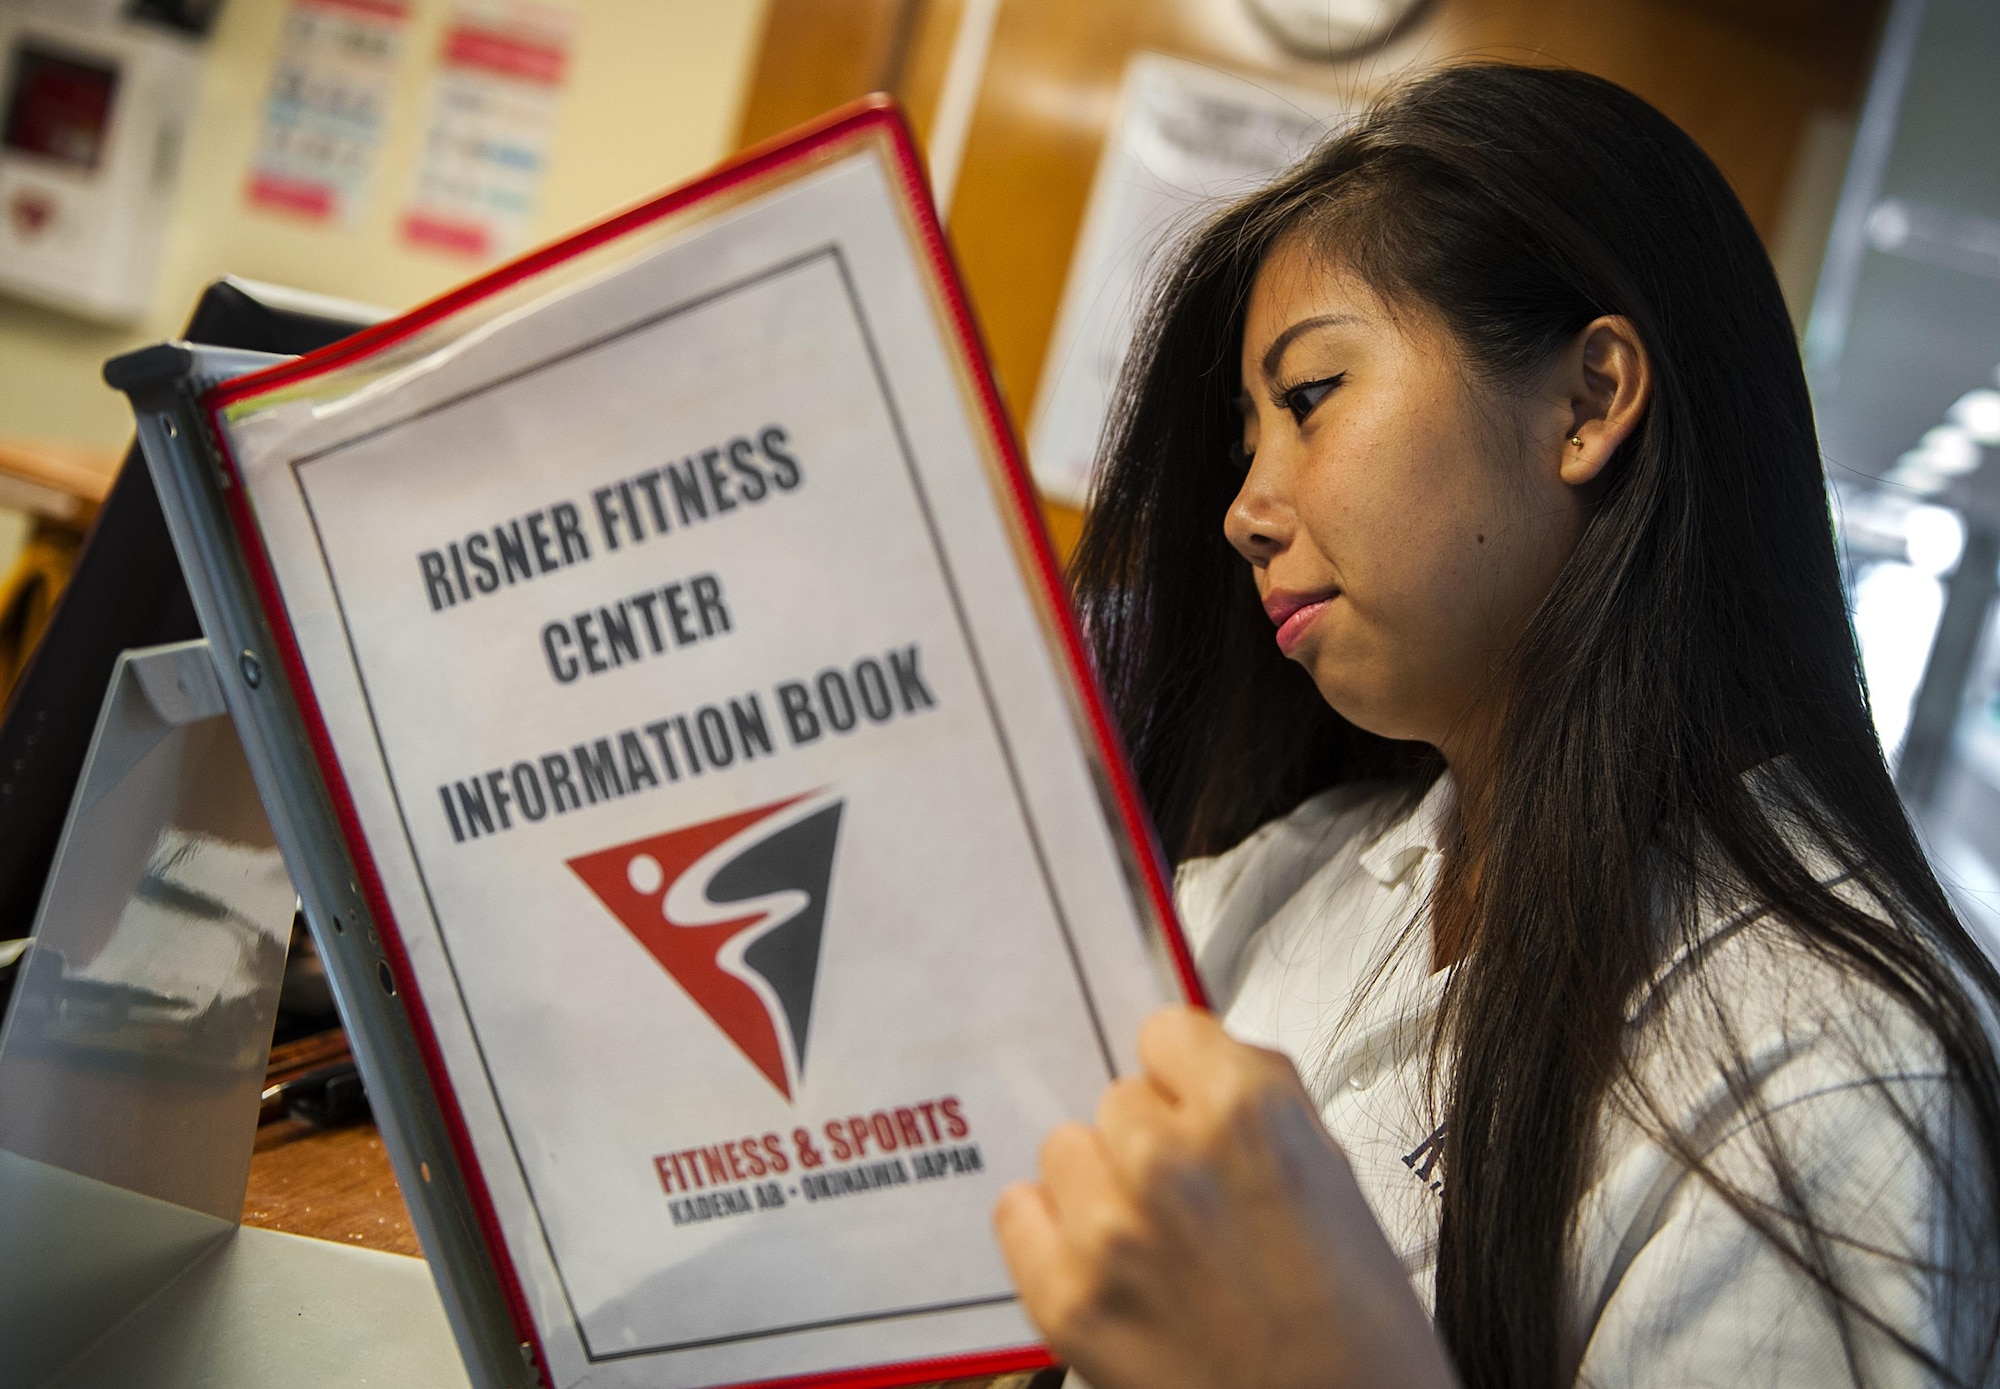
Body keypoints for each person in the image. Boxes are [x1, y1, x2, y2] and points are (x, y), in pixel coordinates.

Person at [992, 63, 2000, 1389]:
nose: (1246, 506)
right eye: (1248, 436)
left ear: (1586, 403)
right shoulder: (1273, 880)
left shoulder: (1823, 1061)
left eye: (1309, 400)